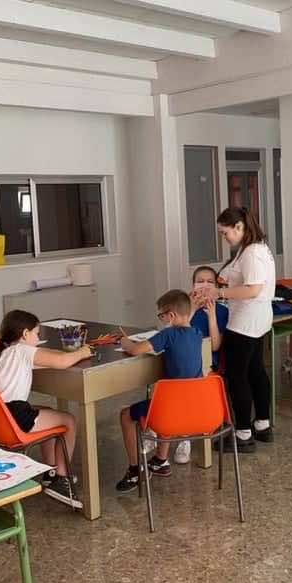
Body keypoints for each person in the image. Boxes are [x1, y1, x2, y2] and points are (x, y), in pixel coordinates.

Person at [0, 309, 92, 506]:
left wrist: (67, 354)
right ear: (25, 334)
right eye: (37, 334)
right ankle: (61, 479)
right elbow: (61, 361)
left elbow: (51, 357)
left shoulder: (2, 352)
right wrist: (83, 352)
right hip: (14, 417)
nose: (38, 338)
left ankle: (50, 471)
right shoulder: (22, 350)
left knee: (47, 412)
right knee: (69, 421)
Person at [194, 207, 275, 451]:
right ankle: (262, 425)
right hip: (255, 321)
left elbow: (253, 289)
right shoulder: (252, 248)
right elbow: (237, 277)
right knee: (256, 371)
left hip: (245, 324)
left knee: (238, 377)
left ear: (239, 227)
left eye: (225, 232)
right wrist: (219, 282)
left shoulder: (252, 253)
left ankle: (242, 434)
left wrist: (218, 293)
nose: (224, 237)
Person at [116, 289, 203, 492]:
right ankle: (160, 460)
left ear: (171, 315)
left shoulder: (168, 334)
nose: (161, 319)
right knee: (168, 401)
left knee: (126, 415)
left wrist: (124, 341)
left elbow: (134, 350)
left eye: (161, 315)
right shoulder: (198, 334)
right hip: (194, 407)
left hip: (171, 410)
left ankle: (135, 470)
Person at [171, 267, 230, 465]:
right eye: (200, 281)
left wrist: (211, 315)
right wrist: (192, 310)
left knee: (188, 383)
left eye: (210, 282)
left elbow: (215, 345)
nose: (204, 285)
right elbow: (173, 335)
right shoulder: (184, 309)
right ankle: (160, 427)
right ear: (192, 285)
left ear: (216, 286)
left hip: (207, 364)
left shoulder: (222, 311)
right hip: (182, 361)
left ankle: (184, 436)